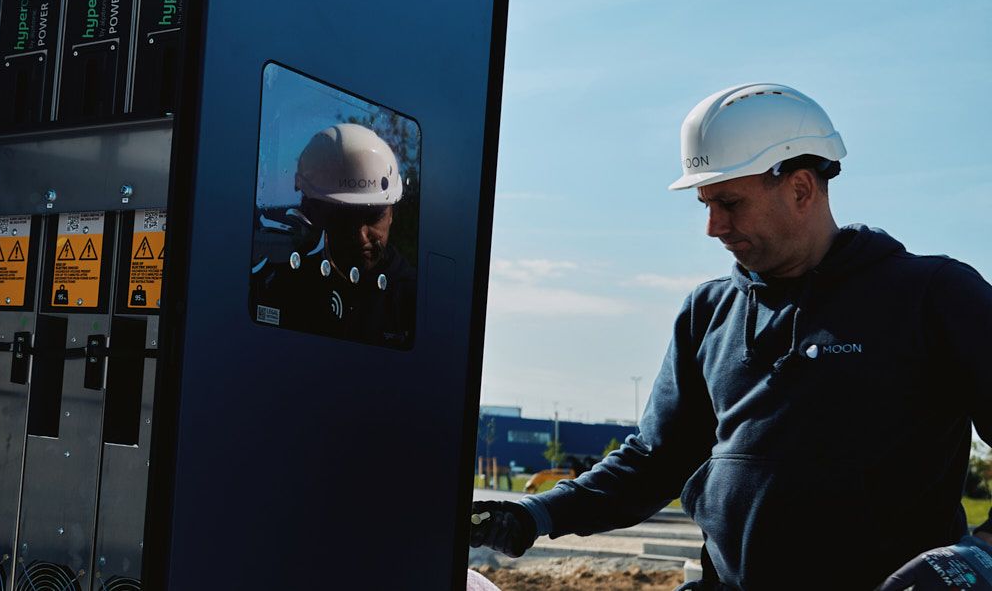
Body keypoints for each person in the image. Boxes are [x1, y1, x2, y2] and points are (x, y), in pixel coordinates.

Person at [468, 84, 992, 589]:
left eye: (731, 203)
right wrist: (533, 514)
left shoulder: (933, 295)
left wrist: (983, 554)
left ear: (801, 188)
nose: (713, 227)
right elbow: (653, 462)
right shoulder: (708, 311)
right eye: (706, 205)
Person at [250, 121, 416, 344]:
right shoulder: (283, 287)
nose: (361, 236)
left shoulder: (411, 300)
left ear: (391, 213)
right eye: (343, 218)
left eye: (373, 216)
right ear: (311, 210)